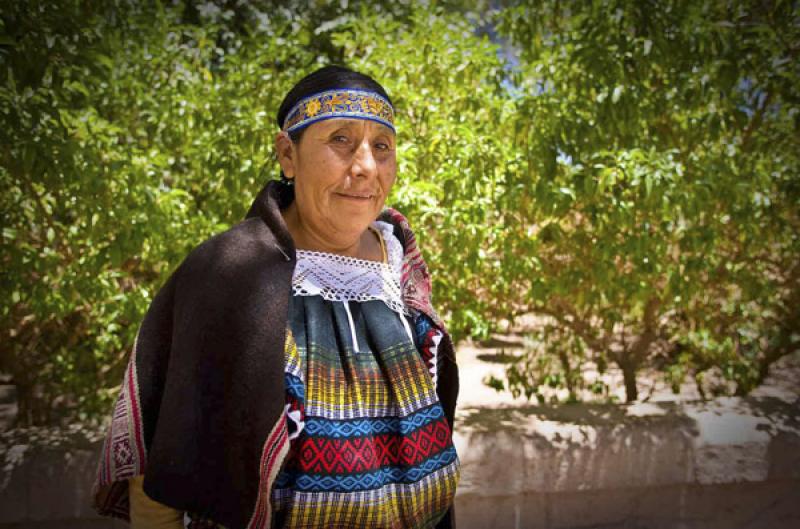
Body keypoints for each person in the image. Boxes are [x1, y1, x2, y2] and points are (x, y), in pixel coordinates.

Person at [92, 65, 461, 529]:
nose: (366, 166)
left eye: (381, 146)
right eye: (341, 140)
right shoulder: (227, 272)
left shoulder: (398, 260)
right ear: (288, 154)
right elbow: (159, 474)